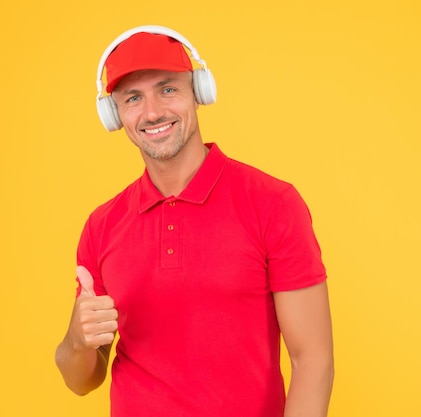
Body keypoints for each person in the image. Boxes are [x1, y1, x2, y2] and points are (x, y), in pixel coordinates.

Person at [55, 25, 334, 417]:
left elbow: (314, 359)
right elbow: (82, 380)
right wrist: (77, 341)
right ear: (114, 114)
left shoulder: (273, 203)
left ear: (198, 92)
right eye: (133, 97)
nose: (152, 112)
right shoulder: (102, 225)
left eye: (167, 89)